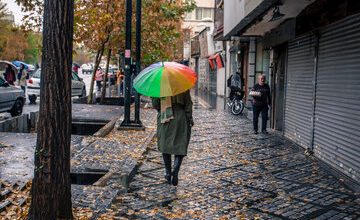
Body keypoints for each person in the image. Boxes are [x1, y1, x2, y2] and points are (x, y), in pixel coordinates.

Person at [152, 90, 194, 186]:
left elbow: (155, 104)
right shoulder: (182, 85)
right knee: (180, 144)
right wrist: (190, 119)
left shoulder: (160, 86)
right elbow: (188, 104)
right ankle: (175, 170)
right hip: (180, 117)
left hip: (165, 116)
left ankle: (168, 172)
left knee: (165, 144)